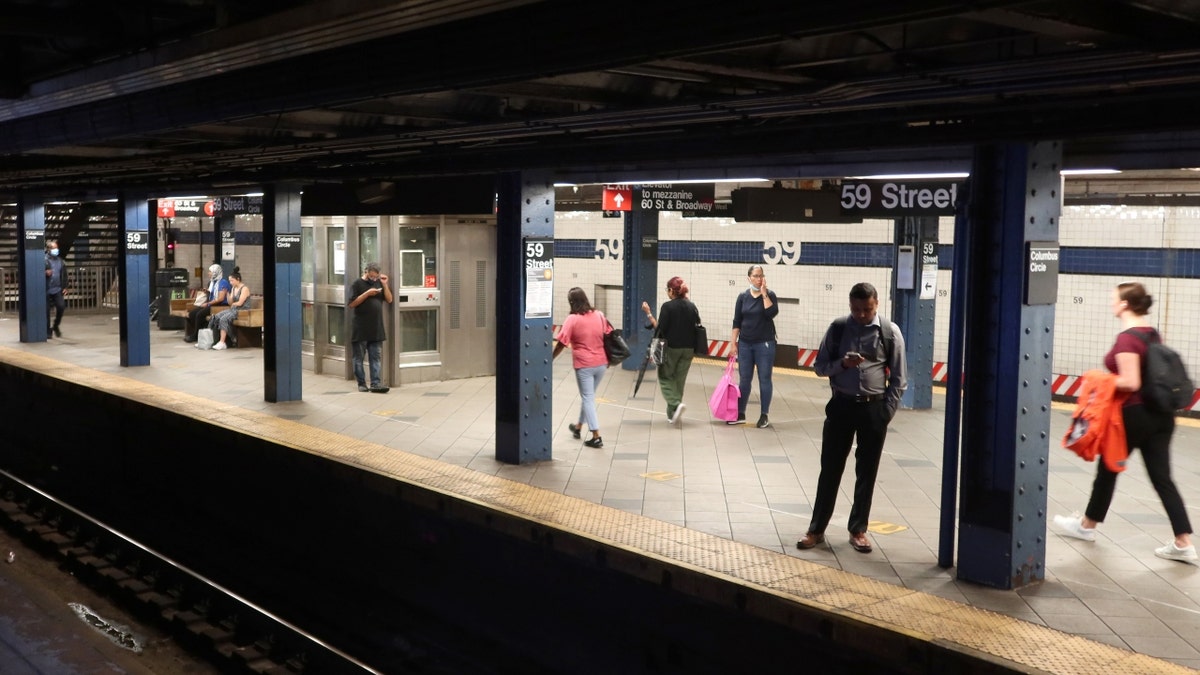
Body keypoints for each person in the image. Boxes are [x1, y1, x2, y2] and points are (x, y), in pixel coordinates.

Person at [1053, 282, 1195, 563]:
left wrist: (1100, 380)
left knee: (1108, 468)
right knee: (1162, 479)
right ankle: (1183, 542)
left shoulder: (1127, 340)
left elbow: (1131, 382)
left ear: (1124, 305)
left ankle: (1086, 526)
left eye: (1114, 299)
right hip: (1161, 417)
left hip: (1133, 416)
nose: (1111, 303)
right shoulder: (1151, 334)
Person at [797, 282, 907, 555]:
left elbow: (900, 379)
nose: (860, 315)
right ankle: (816, 529)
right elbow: (820, 367)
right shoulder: (837, 329)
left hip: (873, 409)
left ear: (876, 304)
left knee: (866, 471)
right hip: (841, 405)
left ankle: (858, 529)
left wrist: (886, 412)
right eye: (856, 309)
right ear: (849, 305)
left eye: (866, 310)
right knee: (830, 469)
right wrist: (841, 365)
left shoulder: (889, 332)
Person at [552, 287, 610, 448]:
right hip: (601, 364)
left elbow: (562, 342)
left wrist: (550, 358)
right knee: (588, 396)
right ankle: (578, 427)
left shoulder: (572, 319)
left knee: (588, 398)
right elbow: (609, 334)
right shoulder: (599, 315)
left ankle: (596, 436)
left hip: (584, 365)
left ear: (571, 302)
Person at [641, 276, 701, 425]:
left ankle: (675, 404)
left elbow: (660, 330)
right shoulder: (692, 306)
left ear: (671, 291)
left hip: (672, 348)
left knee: (665, 378)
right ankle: (672, 415)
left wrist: (648, 313)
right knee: (679, 381)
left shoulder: (667, 307)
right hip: (689, 349)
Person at [730, 264, 779, 427]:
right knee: (744, 379)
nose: (759, 279)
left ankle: (764, 414)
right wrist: (733, 343)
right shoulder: (742, 297)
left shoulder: (770, 295)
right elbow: (737, 321)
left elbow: (771, 313)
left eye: (761, 276)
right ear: (749, 278)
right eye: (756, 276)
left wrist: (764, 294)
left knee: (764, 378)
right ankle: (740, 412)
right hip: (745, 344)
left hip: (764, 344)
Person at [348, 262, 393, 393]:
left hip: (376, 326)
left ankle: (376, 383)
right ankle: (361, 383)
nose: (374, 279)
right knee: (358, 358)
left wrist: (384, 284)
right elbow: (352, 303)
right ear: (366, 272)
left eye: (376, 277)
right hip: (360, 327)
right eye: (372, 276)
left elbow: (389, 300)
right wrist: (367, 294)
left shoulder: (379, 282)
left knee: (375, 357)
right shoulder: (357, 284)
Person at [184, 264, 230, 343]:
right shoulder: (213, 282)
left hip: (220, 305)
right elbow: (213, 294)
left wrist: (208, 304)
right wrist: (207, 291)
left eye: (210, 272)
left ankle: (195, 336)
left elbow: (220, 299)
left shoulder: (223, 283)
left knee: (199, 315)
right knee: (192, 314)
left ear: (216, 272)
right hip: (212, 303)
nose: (208, 273)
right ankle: (199, 333)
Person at [207, 269, 251, 351]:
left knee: (224, 319)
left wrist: (233, 304)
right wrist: (227, 295)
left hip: (242, 311)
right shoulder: (234, 288)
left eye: (232, 281)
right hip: (234, 309)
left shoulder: (244, 289)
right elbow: (231, 303)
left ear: (238, 279)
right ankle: (215, 340)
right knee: (216, 317)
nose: (230, 283)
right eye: (230, 281)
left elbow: (240, 303)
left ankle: (223, 342)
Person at [44, 239, 68, 338]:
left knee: (61, 307)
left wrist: (65, 286)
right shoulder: (43, 260)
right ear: (48, 249)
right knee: (46, 311)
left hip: (57, 289)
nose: (56, 250)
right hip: (46, 289)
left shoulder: (60, 261)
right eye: (54, 248)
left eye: (56, 248)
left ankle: (56, 325)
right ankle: (47, 330)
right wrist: (44, 273)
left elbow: (64, 274)